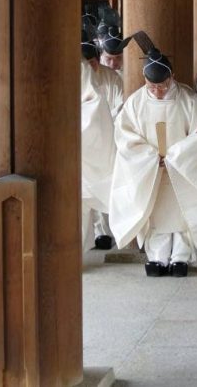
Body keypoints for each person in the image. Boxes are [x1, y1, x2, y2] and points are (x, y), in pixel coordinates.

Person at [109, 46, 197, 277]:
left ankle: (181, 256)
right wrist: (150, 158)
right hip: (151, 171)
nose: (158, 92)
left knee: (181, 214)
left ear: (172, 77)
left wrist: (175, 157)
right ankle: (157, 257)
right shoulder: (135, 103)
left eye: (163, 85)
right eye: (152, 87)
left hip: (181, 171)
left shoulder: (189, 101)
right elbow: (125, 136)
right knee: (156, 216)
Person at [81, 59, 116, 251]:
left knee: (89, 191)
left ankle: (102, 232)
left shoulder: (82, 69)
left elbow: (92, 104)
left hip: (84, 142)